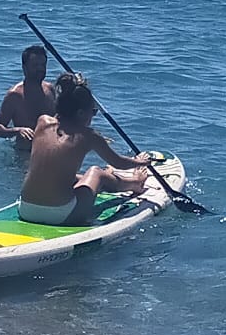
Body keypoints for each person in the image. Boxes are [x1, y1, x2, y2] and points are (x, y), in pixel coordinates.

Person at [17, 71, 150, 226]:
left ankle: (111, 180)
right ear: (81, 113)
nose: (93, 117)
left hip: (26, 209)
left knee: (65, 173)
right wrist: (141, 162)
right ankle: (135, 183)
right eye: (93, 111)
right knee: (96, 172)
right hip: (59, 215)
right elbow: (119, 162)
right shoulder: (89, 136)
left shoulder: (42, 122)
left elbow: (59, 126)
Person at [0, 44, 57, 146]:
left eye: (43, 65)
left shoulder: (50, 89)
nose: (40, 69)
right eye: (35, 65)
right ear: (24, 67)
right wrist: (18, 131)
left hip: (50, 149)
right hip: (25, 153)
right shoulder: (14, 95)